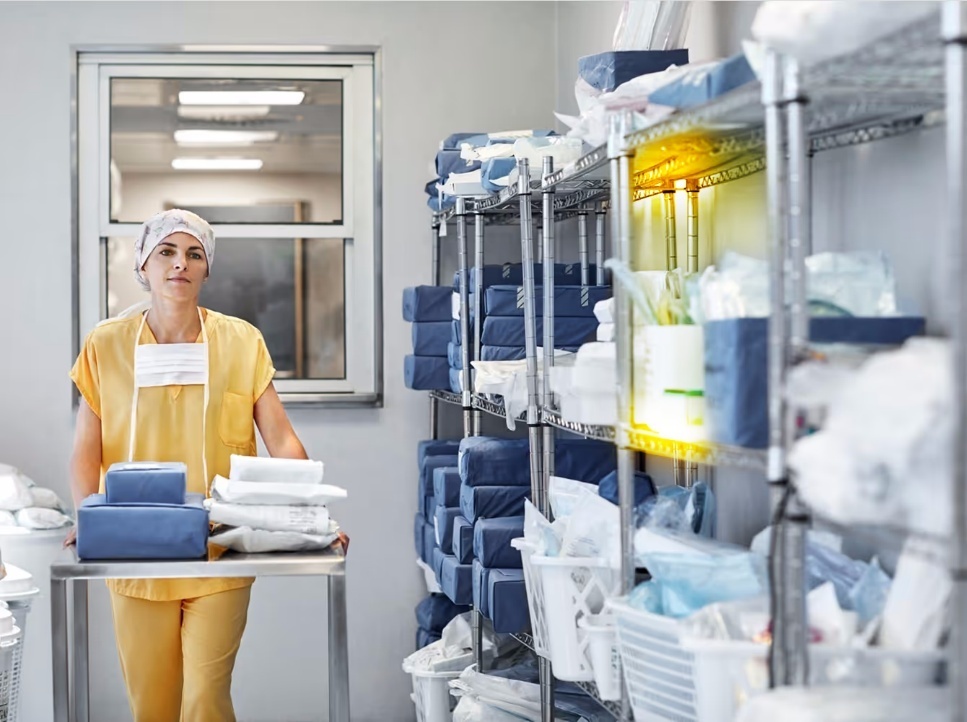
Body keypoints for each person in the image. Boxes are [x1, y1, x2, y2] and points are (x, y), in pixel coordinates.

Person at [67, 209, 345, 722]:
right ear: (143, 265)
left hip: (219, 545)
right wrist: (88, 520)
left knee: (205, 700)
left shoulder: (241, 342)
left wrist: (312, 517)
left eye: (194, 254)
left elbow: (280, 438)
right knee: (152, 706)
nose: (180, 264)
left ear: (207, 269)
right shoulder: (106, 344)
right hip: (135, 550)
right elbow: (88, 448)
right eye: (167, 252)